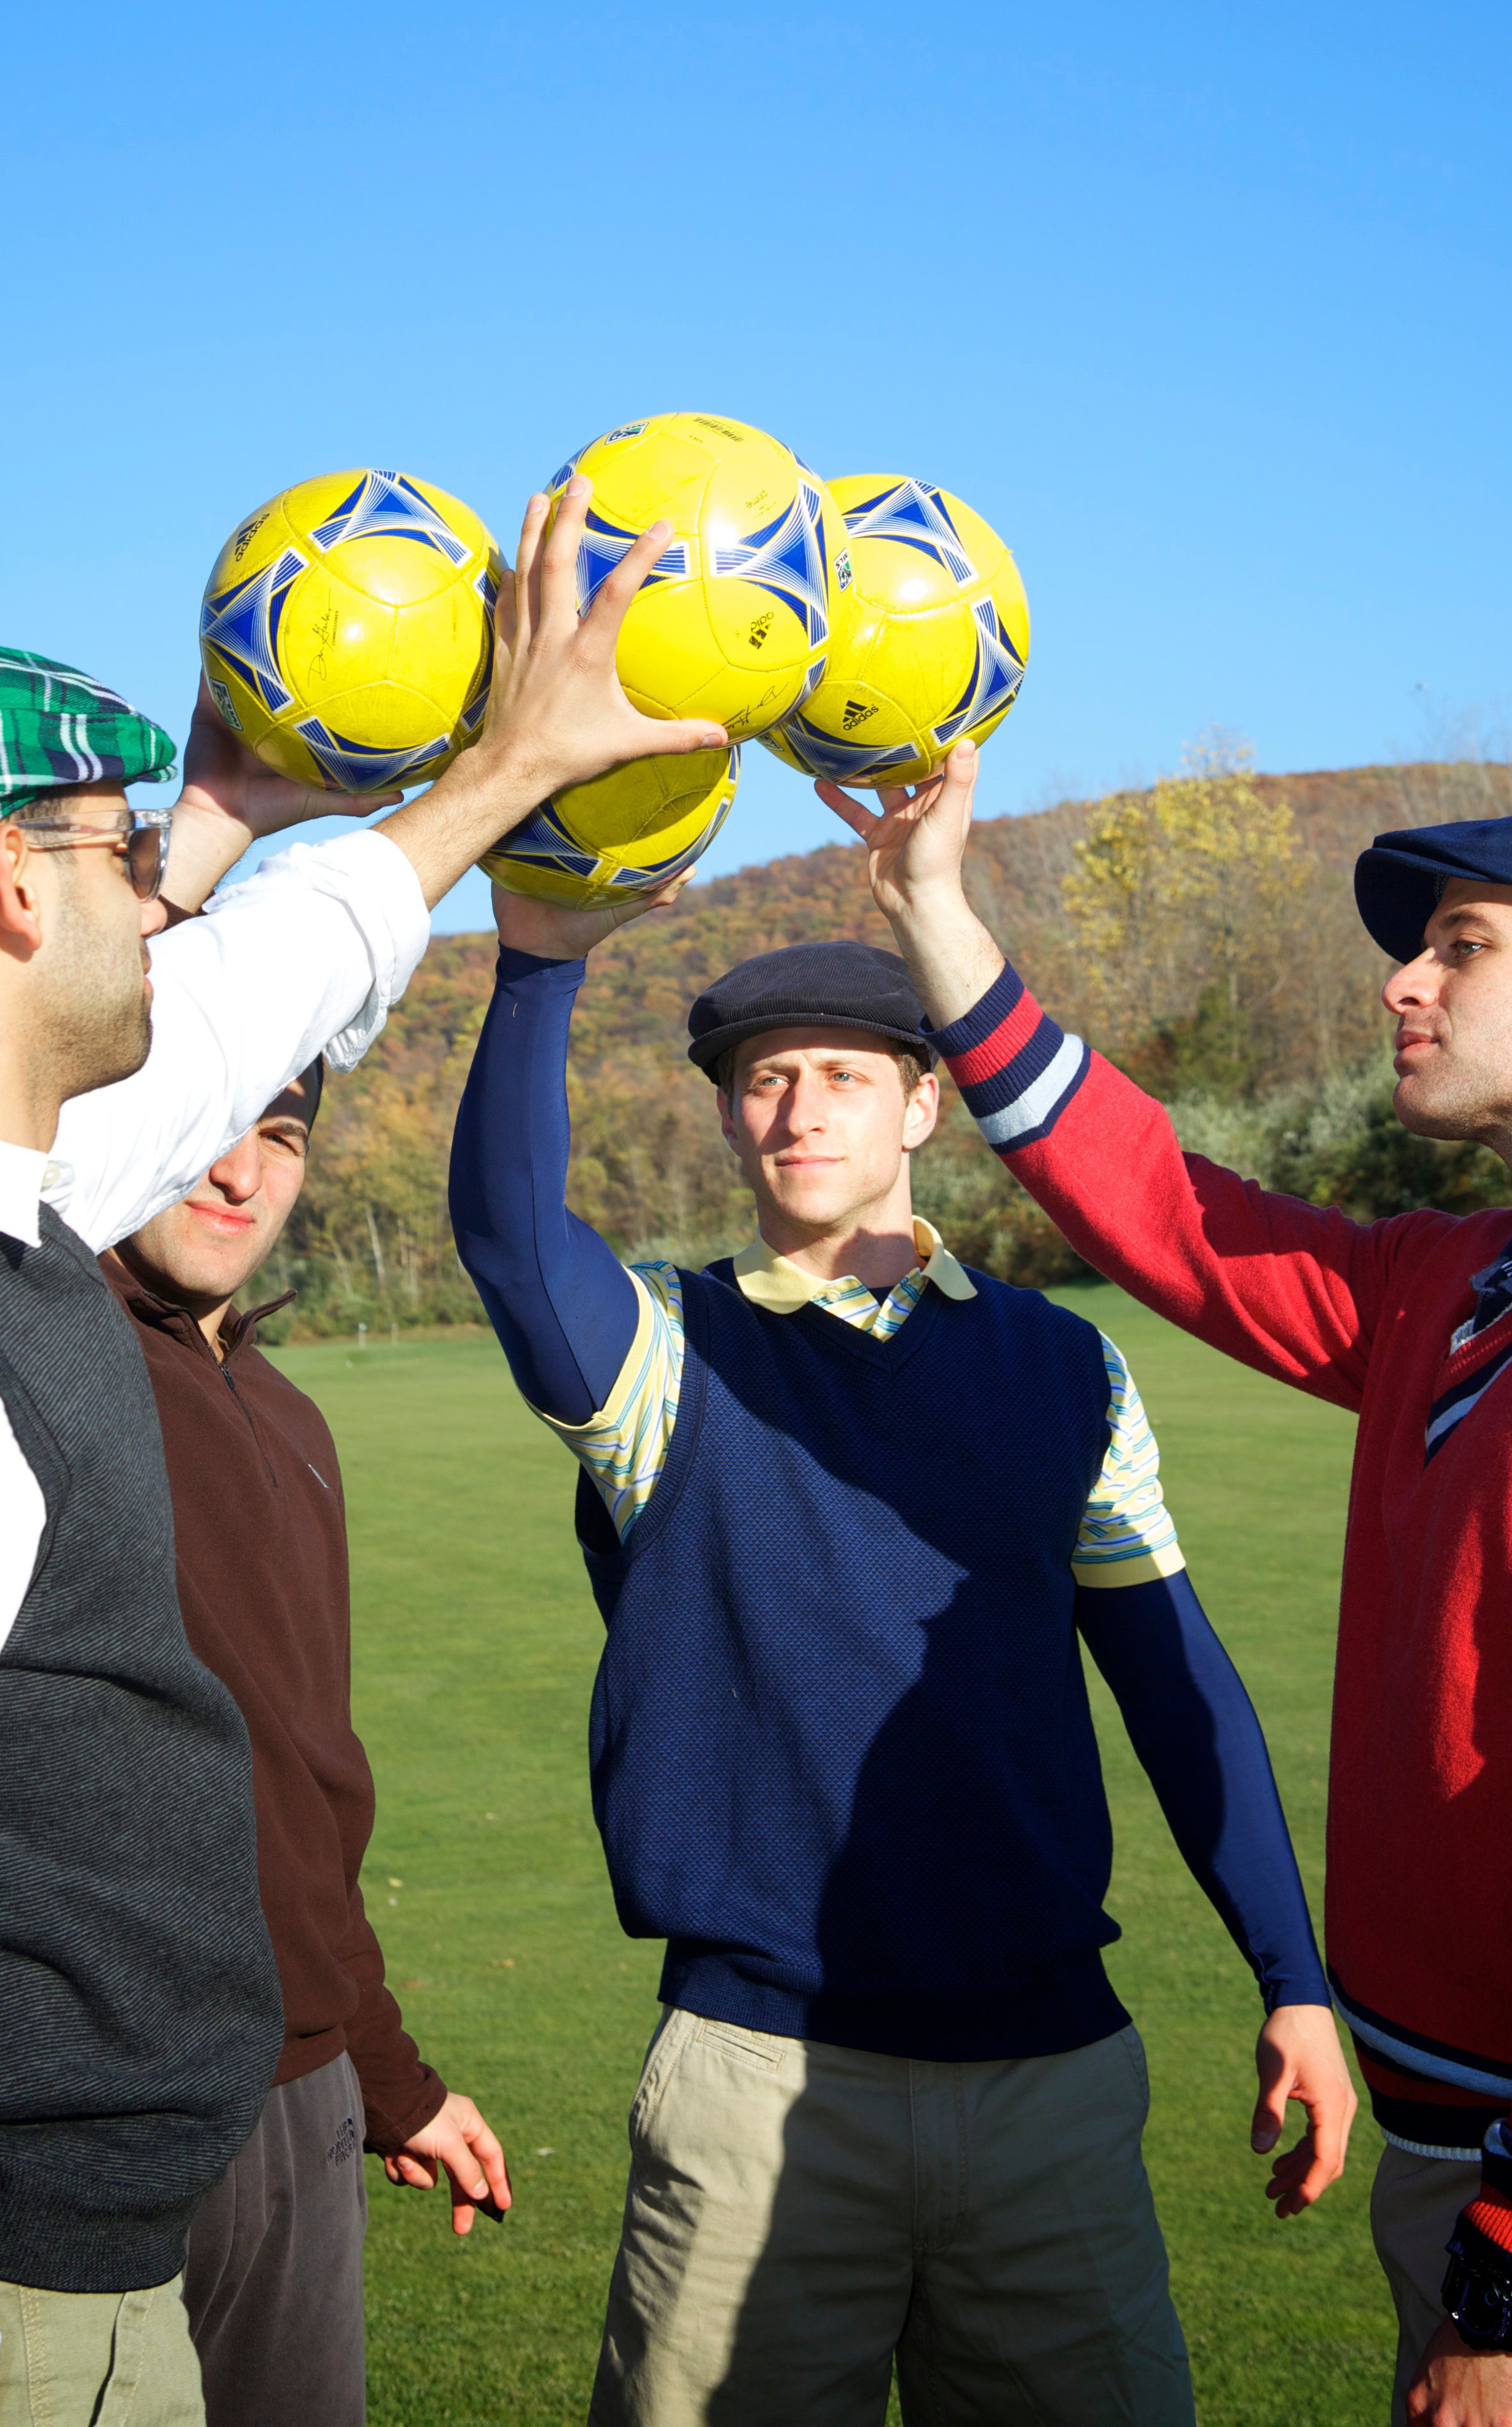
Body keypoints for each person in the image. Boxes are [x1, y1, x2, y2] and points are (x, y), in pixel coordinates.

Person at [0, 482, 720, 2427]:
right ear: (18, 900)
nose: (158, 902)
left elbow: (217, 1016)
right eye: (122, 862)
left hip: (66, 2271)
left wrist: (347, 808)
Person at [830, 749, 1512, 2427]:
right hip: (1499, 2155)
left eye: (1463, 943)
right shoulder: (1472, 1283)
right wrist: (937, 918)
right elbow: (1177, 1218)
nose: (1405, 978)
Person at [447, 888, 1357, 2427]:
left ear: (928, 1101)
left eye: (846, 1074)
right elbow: (515, 1243)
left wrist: (1293, 1976)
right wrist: (540, 953)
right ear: (733, 1119)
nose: (799, 1109)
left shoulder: (1066, 1363)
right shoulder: (664, 1353)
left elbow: (1175, 1680)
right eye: (764, 1080)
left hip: (1050, 2084)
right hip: (760, 2076)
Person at [107, 1069, 508, 2427]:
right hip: (104, 2103)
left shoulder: (292, 1417)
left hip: (304, 2090)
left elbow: (306, 1795)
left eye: (278, 1137)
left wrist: (389, 2078)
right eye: (202, 1120)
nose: (238, 1174)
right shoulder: (49, 1354)